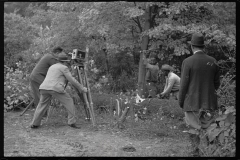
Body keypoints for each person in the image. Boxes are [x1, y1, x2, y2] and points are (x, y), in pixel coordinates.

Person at [178, 33, 220, 156]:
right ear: (203, 47)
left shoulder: (187, 62)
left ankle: (195, 153)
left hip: (192, 103)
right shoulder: (213, 61)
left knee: (193, 129)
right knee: (209, 129)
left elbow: (183, 85)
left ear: (192, 46)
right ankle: (210, 152)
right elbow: (216, 84)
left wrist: (181, 102)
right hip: (209, 102)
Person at [30, 52, 88, 129]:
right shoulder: (64, 68)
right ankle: (72, 122)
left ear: (58, 60)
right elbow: (72, 80)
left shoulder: (52, 67)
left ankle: (35, 123)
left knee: (42, 105)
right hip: (55, 88)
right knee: (69, 101)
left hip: (44, 87)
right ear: (65, 61)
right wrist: (82, 88)